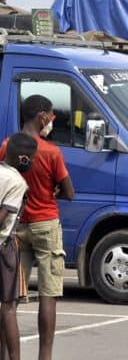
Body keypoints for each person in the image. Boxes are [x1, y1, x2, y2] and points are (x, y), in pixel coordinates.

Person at [0, 95, 75, 360]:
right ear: (42, 116)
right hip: (46, 224)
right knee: (48, 294)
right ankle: (45, 356)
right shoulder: (52, 152)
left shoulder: (8, 146)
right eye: (51, 117)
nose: (51, 122)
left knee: (9, 299)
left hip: (16, 228)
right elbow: (69, 192)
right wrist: (54, 189)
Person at [0, 133, 38, 360]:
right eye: (31, 158)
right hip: (4, 246)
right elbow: (4, 216)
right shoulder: (17, 182)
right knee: (9, 307)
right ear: (23, 158)